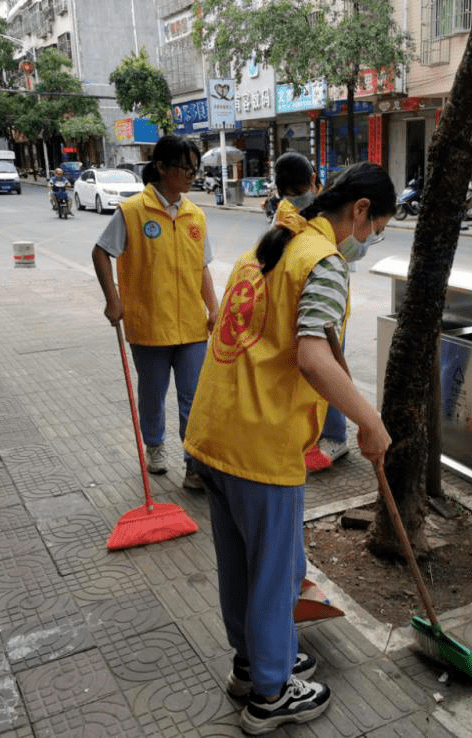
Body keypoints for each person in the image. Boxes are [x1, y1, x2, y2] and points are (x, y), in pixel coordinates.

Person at [183, 162, 395, 735]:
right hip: (260, 441)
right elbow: (311, 356)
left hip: (217, 431)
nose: (370, 240)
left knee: (240, 567)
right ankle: (272, 695)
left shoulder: (274, 242)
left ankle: (252, 665)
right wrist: (368, 420)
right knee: (274, 573)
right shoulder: (321, 261)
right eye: (376, 228)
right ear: (358, 212)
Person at [92, 135, 219, 490]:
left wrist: (214, 307)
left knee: (194, 397)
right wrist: (112, 298)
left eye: (195, 168)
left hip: (192, 327)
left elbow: (202, 267)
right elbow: (101, 252)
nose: (192, 175)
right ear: (161, 167)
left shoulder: (196, 215)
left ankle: (194, 464)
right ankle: (155, 446)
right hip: (149, 325)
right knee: (152, 392)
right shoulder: (132, 212)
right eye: (185, 168)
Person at [269, 153, 348, 472]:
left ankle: (333, 435)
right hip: (318, 299)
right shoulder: (314, 212)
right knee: (323, 366)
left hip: (312, 298)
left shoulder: (281, 214)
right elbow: (356, 246)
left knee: (321, 367)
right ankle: (328, 435)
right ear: (314, 179)